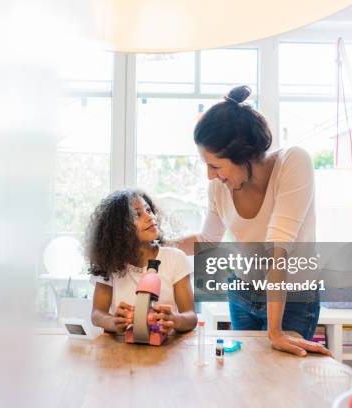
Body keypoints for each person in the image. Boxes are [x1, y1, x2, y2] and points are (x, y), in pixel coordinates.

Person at [175, 85, 331, 357]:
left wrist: (275, 333)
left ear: (243, 155)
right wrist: (156, 245)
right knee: (247, 376)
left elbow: (278, 249)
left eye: (215, 165)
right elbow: (207, 240)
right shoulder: (219, 188)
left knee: (281, 383)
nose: (210, 175)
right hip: (242, 292)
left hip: (292, 299)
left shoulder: (293, 162)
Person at [86, 189, 197, 335]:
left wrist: (173, 320)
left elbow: (191, 317)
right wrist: (113, 322)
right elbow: (97, 314)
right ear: (119, 228)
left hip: (165, 351)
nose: (150, 217)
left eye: (148, 210)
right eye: (137, 214)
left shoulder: (175, 259)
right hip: (121, 349)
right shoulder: (109, 265)